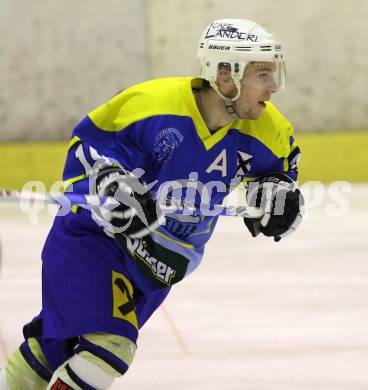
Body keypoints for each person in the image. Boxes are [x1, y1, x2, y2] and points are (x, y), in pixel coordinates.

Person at [0, 18, 304, 389]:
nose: (273, 87)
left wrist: (277, 197)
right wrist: (114, 184)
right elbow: (88, 149)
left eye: (275, 73)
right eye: (262, 74)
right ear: (226, 75)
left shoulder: (269, 130)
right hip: (95, 243)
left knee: (51, 352)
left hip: (158, 271)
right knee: (108, 350)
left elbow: (281, 173)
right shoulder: (151, 106)